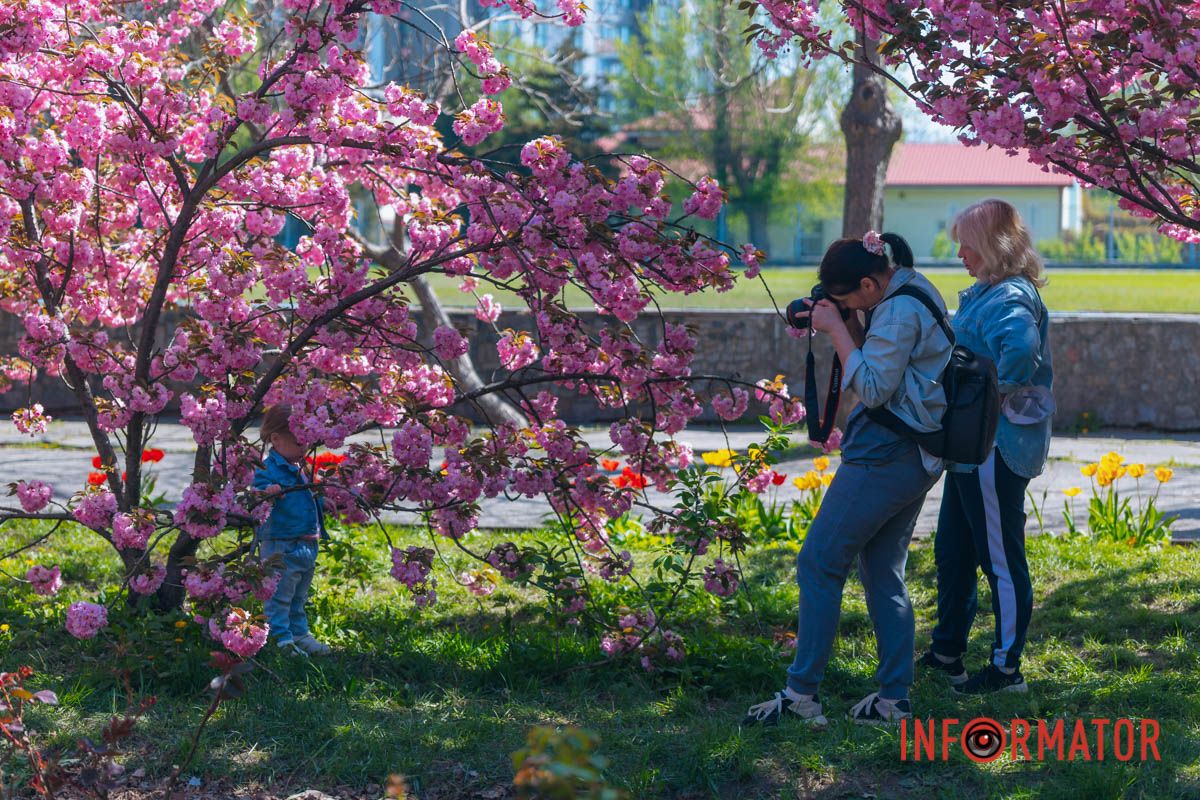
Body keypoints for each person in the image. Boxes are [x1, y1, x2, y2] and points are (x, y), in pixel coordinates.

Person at [744, 231, 953, 726]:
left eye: (843, 299)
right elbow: (888, 364)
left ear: (867, 282)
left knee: (818, 563)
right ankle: (893, 700)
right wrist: (849, 321)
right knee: (883, 571)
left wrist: (838, 330)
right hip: (916, 453)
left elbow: (876, 389)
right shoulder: (911, 286)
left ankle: (800, 697)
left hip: (885, 454)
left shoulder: (899, 310)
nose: (838, 308)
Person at [918, 199, 1053, 694]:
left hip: (996, 447)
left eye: (968, 244)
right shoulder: (988, 292)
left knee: (999, 557)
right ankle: (947, 650)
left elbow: (1018, 350)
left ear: (993, 246)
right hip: (973, 449)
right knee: (953, 550)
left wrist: (994, 395)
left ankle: (1006, 670)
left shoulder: (1009, 294)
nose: (960, 253)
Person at [254, 404, 332, 657]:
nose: (305, 449)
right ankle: (280, 638)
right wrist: (267, 493)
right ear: (276, 439)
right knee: (279, 596)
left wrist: (323, 500)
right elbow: (254, 493)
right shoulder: (268, 469)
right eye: (299, 443)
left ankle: (299, 633)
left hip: (307, 542)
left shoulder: (301, 466)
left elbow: (308, 496)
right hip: (282, 544)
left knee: (299, 595)